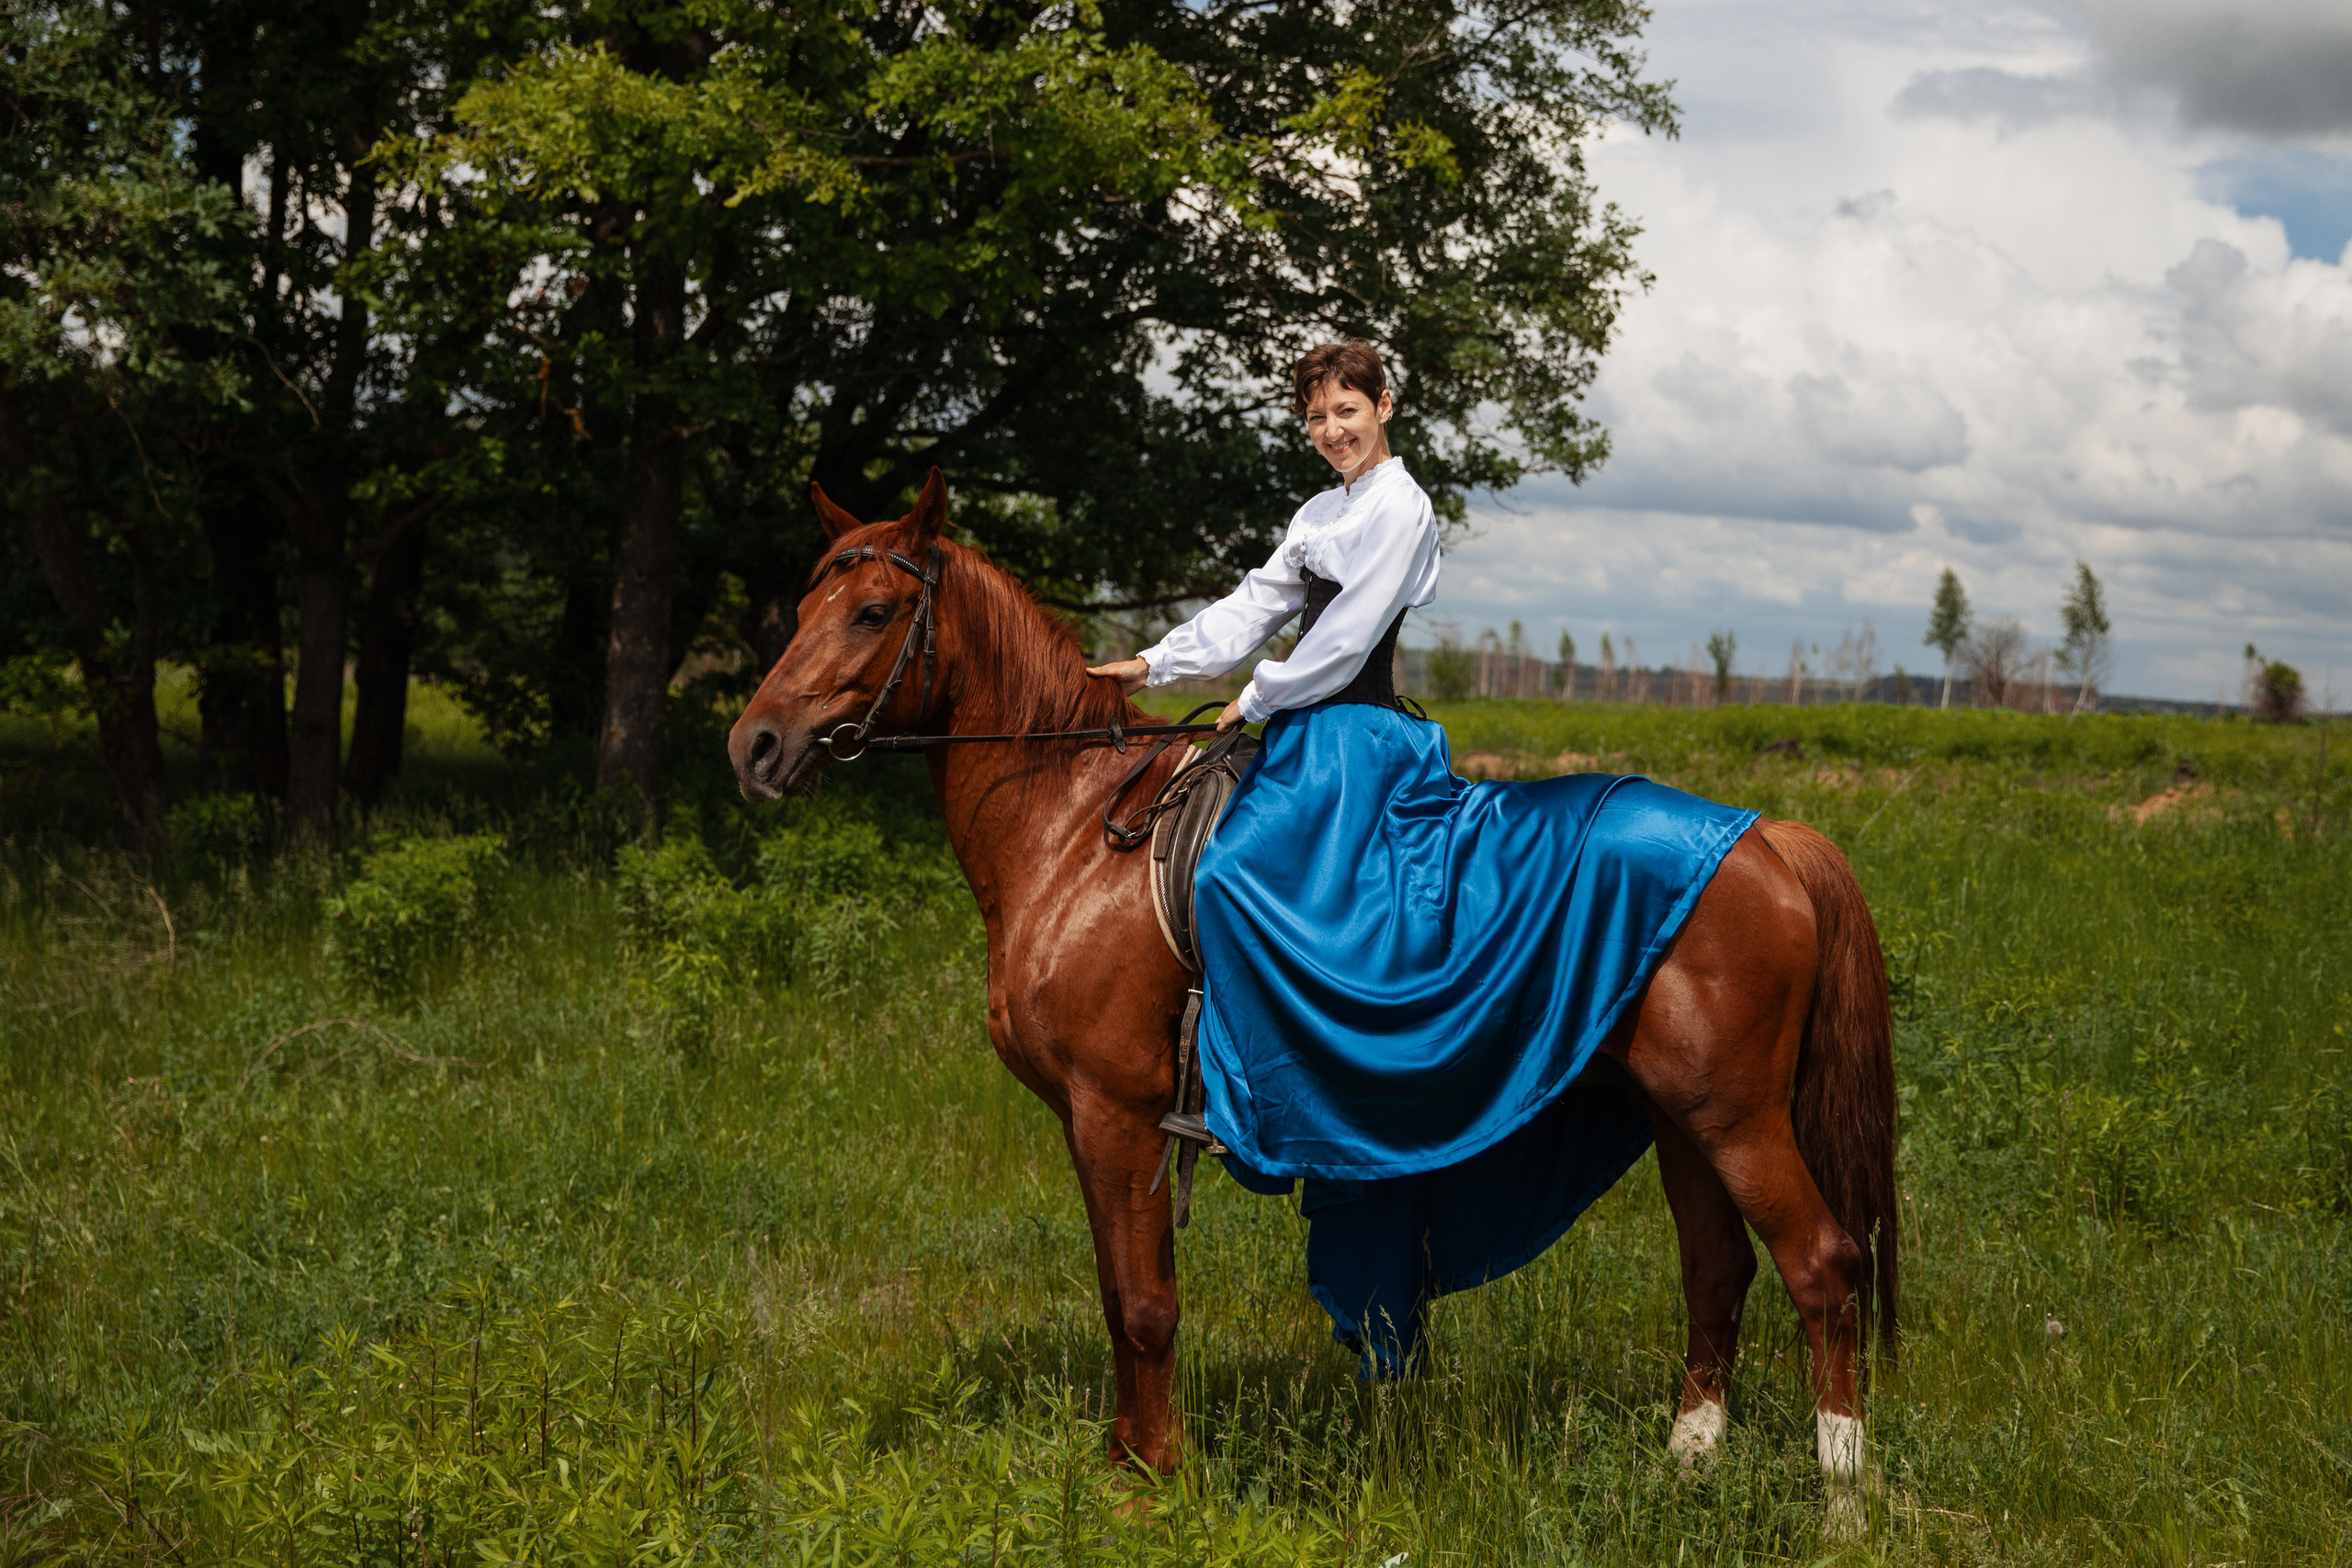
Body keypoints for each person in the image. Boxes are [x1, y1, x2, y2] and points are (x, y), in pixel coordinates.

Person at [1090, 344, 1759, 1374]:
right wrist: (1156, 661)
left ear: (1384, 406)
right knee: (1206, 851)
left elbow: (1344, 639)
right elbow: (1254, 605)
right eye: (1316, 415)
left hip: (1353, 740)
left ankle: (1244, 1093)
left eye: (1346, 409)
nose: (1331, 429)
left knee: (1229, 877)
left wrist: (1256, 698)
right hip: (1304, 734)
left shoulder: (1400, 508)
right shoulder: (1318, 514)